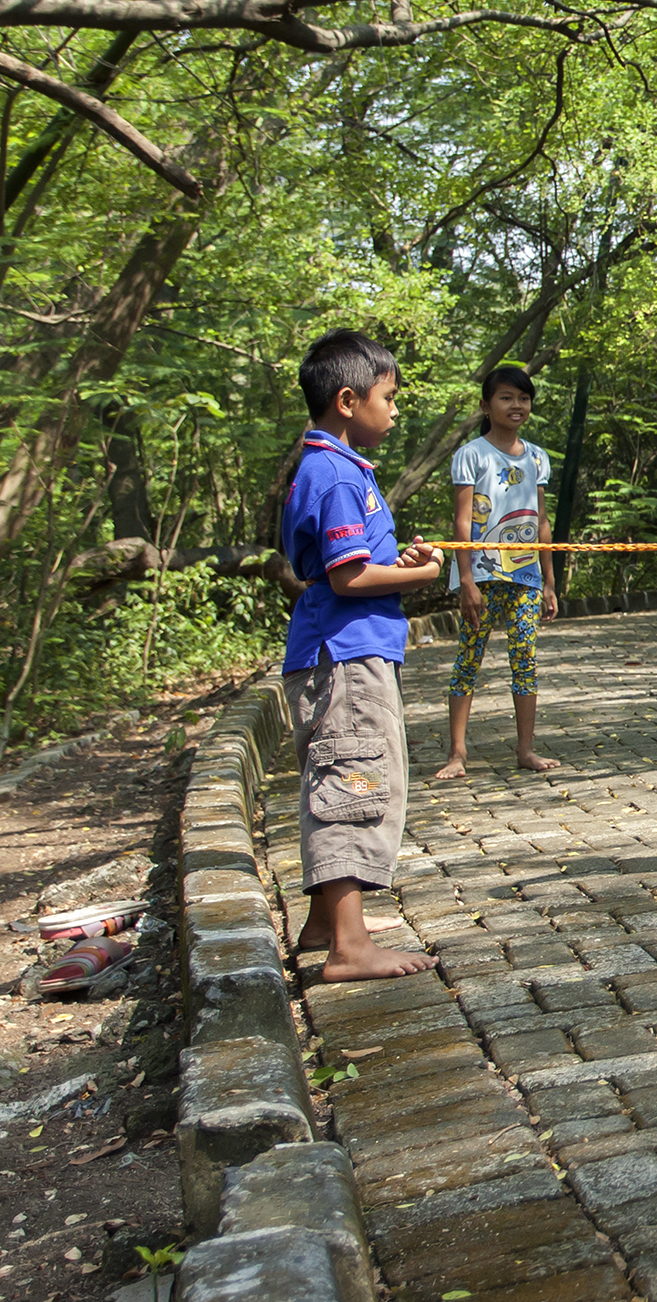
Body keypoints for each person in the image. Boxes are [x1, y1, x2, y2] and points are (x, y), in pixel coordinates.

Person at [277, 330, 443, 979]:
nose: (395, 409)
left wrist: (395, 563)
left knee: (351, 770)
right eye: (389, 397)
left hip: (345, 650)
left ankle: (327, 922)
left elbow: (351, 561)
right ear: (348, 399)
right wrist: (417, 577)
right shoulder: (335, 474)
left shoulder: (337, 468)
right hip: (342, 656)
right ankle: (349, 948)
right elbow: (347, 578)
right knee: (353, 777)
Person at [436, 365, 563, 779]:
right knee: (468, 659)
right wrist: (466, 579)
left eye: (523, 398)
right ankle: (457, 754)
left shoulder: (537, 457)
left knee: (524, 660)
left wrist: (549, 579)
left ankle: (525, 749)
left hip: (525, 577)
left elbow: (542, 521)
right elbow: (461, 521)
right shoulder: (471, 454)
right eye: (506, 397)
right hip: (482, 577)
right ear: (486, 406)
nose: (516, 405)